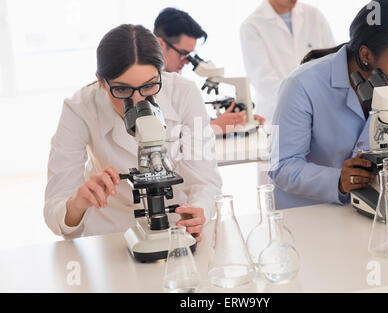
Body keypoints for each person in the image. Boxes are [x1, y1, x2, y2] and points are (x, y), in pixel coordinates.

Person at [44, 24, 222, 240]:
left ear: (161, 73)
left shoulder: (184, 94)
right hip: (112, 233)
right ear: (101, 81)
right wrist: (77, 203)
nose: (138, 101)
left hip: (178, 230)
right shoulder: (80, 107)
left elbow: (205, 181)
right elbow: (55, 215)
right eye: (122, 89)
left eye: (149, 86)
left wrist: (199, 210)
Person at [269, 0, 388, 209]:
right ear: (366, 55)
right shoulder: (302, 85)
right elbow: (282, 166)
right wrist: (338, 180)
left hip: (361, 214)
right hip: (307, 216)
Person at [154, 7, 265, 135]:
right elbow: (167, 138)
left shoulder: (175, 82)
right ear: (161, 44)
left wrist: (238, 120)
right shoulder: (147, 85)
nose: (187, 62)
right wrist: (214, 127)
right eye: (183, 54)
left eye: (190, 55)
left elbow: (187, 124)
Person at [240, 0, 335, 125]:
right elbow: (264, 81)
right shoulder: (252, 26)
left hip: (321, 112)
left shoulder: (314, 15)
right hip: (277, 115)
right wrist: (305, 103)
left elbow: (333, 63)